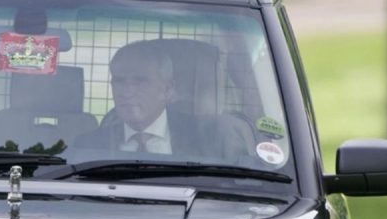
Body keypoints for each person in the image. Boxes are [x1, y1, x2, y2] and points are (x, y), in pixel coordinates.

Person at [75, 40, 256, 164]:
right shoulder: (87, 146)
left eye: (140, 81)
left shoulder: (212, 141)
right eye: (119, 81)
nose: (127, 92)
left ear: (168, 90)